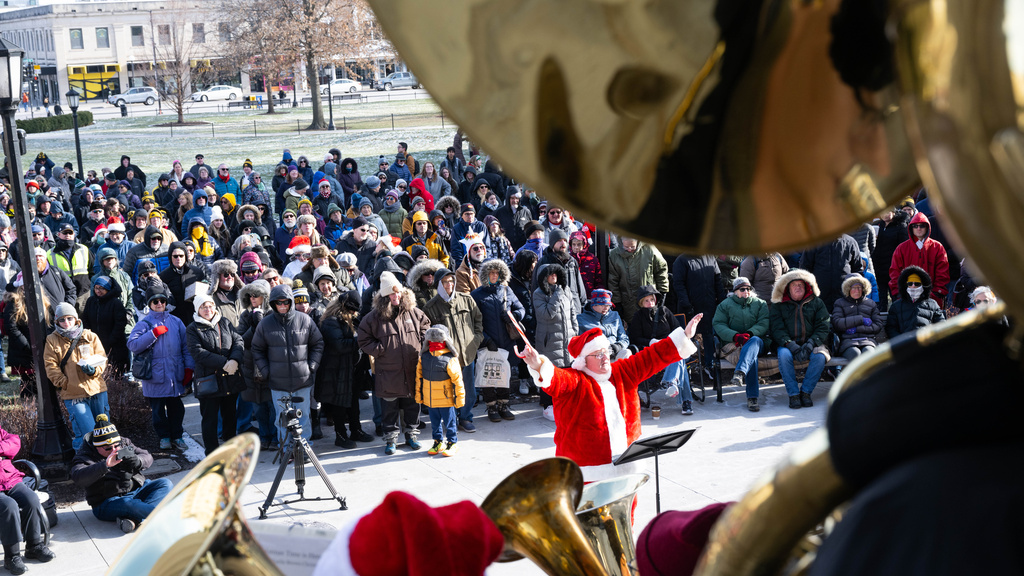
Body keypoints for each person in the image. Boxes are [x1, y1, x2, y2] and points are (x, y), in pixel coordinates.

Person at [517, 315, 700, 482]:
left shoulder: (623, 372)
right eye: (597, 354)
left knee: (626, 517)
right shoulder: (575, 380)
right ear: (583, 360)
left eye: (605, 352)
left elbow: (652, 356)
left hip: (628, 468)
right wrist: (537, 364)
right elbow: (556, 379)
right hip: (588, 473)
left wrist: (684, 336)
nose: (605, 358)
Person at [357, 271, 431, 455]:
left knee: (412, 405)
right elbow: (363, 340)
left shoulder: (413, 312)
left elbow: (426, 327)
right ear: (384, 297)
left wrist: (421, 344)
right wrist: (381, 350)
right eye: (392, 293)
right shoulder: (373, 318)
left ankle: (411, 435)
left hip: (412, 369)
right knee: (390, 408)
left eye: (398, 292)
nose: (396, 296)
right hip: (388, 372)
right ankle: (391, 440)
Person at [70, 414, 171, 534]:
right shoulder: (84, 456)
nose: (114, 450)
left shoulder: (123, 442)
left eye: (116, 446)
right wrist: (104, 466)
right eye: (108, 448)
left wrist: (138, 461)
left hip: (136, 490)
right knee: (128, 504)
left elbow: (147, 456)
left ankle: (133, 518)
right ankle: (167, 518)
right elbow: (78, 477)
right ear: (96, 447)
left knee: (165, 484)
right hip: (108, 501)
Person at [252, 284, 325, 443]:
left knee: (303, 417)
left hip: (302, 380)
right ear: (273, 304)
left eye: (286, 302)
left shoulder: (304, 320)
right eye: (279, 303)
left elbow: (318, 343)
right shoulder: (265, 324)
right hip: (278, 383)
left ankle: (304, 449)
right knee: (282, 419)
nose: (283, 306)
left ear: (291, 302)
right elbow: (257, 349)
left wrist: (311, 366)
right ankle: (286, 449)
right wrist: (266, 371)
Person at [127, 286, 193, 450]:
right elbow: (132, 344)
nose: (159, 303)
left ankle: (177, 436)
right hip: (155, 376)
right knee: (157, 410)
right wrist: (153, 333)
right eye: (155, 301)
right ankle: (164, 436)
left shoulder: (176, 322)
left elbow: (187, 347)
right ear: (149, 304)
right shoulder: (144, 323)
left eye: (162, 300)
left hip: (174, 374)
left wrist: (189, 368)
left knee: (177, 408)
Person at [423, 268, 484, 434]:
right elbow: (429, 333)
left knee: (468, 389)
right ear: (439, 284)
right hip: (446, 358)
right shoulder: (431, 307)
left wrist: (476, 339)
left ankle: (466, 417)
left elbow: (478, 319)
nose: (449, 284)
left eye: (451, 280)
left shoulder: (466, 299)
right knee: (449, 389)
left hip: (467, 353)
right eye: (445, 281)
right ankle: (452, 418)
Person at [43, 302, 108, 450]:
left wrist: (94, 370)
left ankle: (107, 467)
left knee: (105, 432)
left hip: (97, 389)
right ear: (57, 322)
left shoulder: (90, 336)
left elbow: (102, 358)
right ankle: (84, 468)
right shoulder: (52, 340)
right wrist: (64, 383)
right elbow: (50, 366)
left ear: (76, 319)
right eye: (62, 320)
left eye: (70, 318)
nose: (66, 323)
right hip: (73, 394)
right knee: (86, 435)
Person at [186, 294, 244, 456]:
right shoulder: (193, 328)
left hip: (229, 378)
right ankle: (211, 452)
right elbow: (198, 352)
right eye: (203, 306)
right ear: (197, 309)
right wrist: (224, 363)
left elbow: (238, 341)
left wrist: (235, 359)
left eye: (210, 305)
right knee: (210, 418)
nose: (208, 309)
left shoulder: (224, 322)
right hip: (208, 380)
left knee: (230, 415)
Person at [470, 259, 526, 422]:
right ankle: (491, 406)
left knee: (504, 374)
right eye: (491, 273)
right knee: (488, 375)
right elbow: (473, 322)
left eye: (497, 272)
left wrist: (514, 315)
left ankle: (503, 405)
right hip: (487, 343)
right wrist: (486, 340)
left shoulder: (506, 291)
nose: (494, 275)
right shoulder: (476, 295)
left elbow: (520, 309)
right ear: (485, 275)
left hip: (507, 341)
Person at [316, 291, 373, 449]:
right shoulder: (330, 321)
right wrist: (360, 341)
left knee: (354, 401)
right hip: (336, 368)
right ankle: (340, 435)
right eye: (352, 310)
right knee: (339, 404)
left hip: (353, 368)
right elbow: (340, 345)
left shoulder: (352, 318)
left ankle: (356, 430)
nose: (355, 313)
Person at [769, 270, 832, 409]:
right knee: (784, 355)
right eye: (794, 285)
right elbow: (776, 328)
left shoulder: (817, 302)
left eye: (801, 284)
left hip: (812, 342)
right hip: (787, 344)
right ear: (787, 287)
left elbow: (823, 325)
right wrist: (789, 344)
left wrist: (811, 342)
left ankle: (806, 392)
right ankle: (793, 394)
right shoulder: (779, 304)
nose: (798, 287)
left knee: (820, 357)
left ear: (807, 286)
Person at [628, 286, 695, 415]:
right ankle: (685, 400)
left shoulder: (664, 311)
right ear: (641, 302)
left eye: (652, 299)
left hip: (671, 346)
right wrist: (650, 342)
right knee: (679, 359)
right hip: (652, 352)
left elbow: (678, 331)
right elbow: (635, 338)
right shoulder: (638, 316)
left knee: (678, 356)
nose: (650, 303)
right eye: (646, 300)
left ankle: (671, 382)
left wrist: (670, 341)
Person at [0, 425, 54, 574]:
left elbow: (14, 441)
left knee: (31, 499)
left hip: (9, 479)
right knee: (9, 506)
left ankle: (34, 546)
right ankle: (11, 557)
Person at [712, 277, 770, 412]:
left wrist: (750, 334)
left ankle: (739, 372)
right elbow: (718, 324)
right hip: (734, 345)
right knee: (752, 357)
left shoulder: (760, 303)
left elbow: (764, 322)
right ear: (735, 291)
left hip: (758, 342)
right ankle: (752, 398)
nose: (746, 292)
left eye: (748, 289)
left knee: (754, 342)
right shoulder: (724, 305)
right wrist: (735, 336)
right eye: (742, 289)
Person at [533, 263, 579, 418]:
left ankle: (565, 403)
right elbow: (547, 314)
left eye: (555, 274)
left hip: (567, 340)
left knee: (567, 372)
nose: (554, 277)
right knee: (549, 373)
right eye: (550, 274)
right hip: (549, 342)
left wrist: (575, 332)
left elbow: (572, 311)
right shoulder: (538, 294)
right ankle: (548, 406)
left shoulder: (565, 290)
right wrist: (557, 295)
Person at [416, 325, 465, 457]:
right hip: (430, 400)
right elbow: (419, 378)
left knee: (450, 422)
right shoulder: (425, 357)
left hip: (446, 399)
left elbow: (458, 381)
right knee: (435, 423)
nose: (435, 343)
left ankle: (452, 443)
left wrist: (459, 398)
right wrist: (419, 395)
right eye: (432, 340)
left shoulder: (450, 358)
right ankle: (438, 442)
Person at [888, 212, 950, 305]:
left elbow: (943, 272)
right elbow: (895, 272)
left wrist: (936, 292)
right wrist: (900, 293)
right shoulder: (901, 248)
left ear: (927, 228)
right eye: (915, 226)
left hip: (931, 298)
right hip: (906, 298)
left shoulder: (937, 247)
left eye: (922, 226)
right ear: (911, 228)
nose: (918, 228)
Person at [608, 237, 669, 323]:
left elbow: (661, 270)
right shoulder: (614, 255)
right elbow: (613, 281)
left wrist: (662, 292)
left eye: (632, 247)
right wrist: (617, 303)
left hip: (649, 300)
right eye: (626, 247)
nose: (629, 249)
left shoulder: (649, 249)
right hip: (628, 302)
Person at [81, 276, 130, 376]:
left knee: (115, 373)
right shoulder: (91, 301)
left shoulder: (115, 303)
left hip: (114, 346)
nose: (98, 291)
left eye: (102, 288)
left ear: (108, 289)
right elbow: (85, 319)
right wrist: (89, 335)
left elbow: (120, 324)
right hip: (95, 343)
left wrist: (110, 340)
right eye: (96, 288)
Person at [832, 274, 884, 361]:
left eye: (859, 287)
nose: (857, 290)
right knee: (855, 353)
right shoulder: (840, 303)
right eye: (854, 287)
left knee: (868, 353)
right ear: (848, 289)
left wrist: (857, 328)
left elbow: (878, 325)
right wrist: (860, 319)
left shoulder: (871, 303)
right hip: (848, 342)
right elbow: (837, 323)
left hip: (868, 341)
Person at [886, 266, 945, 338]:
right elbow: (891, 329)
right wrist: (901, 341)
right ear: (905, 286)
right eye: (910, 284)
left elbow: (941, 325)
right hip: (905, 345)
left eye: (917, 284)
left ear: (923, 286)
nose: (913, 286)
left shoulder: (932, 304)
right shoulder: (896, 306)